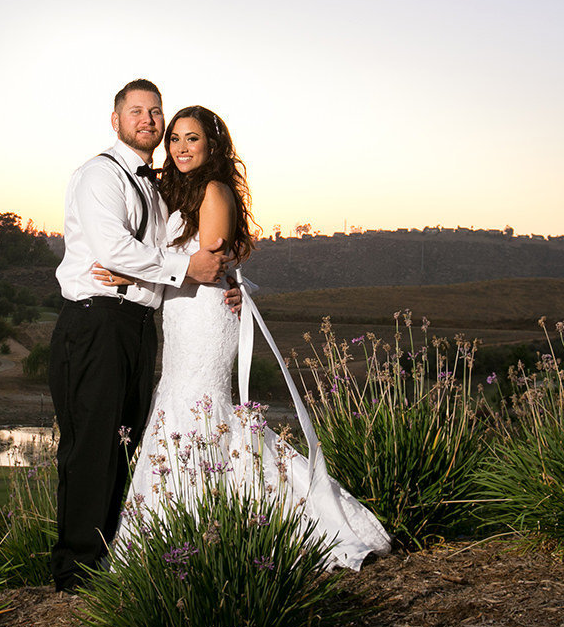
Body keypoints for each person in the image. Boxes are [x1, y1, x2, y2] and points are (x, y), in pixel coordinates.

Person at [99, 105, 391, 570]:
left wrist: (130, 274)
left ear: (212, 146)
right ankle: (189, 529)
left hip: (204, 317)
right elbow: (195, 263)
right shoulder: (182, 194)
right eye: (174, 139)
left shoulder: (213, 191)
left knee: (200, 408)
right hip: (181, 314)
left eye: (191, 138)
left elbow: (209, 265)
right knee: (182, 403)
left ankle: (254, 524)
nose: (179, 147)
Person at [48, 80, 232, 593]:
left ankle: (110, 558)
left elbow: (148, 257)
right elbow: (112, 247)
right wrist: (182, 267)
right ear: (116, 120)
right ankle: (76, 574)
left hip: (138, 326)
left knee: (125, 443)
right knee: (91, 448)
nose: (149, 120)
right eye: (137, 111)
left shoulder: (159, 184)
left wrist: (227, 283)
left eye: (156, 112)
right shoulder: (98, 176)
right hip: (96, 323)